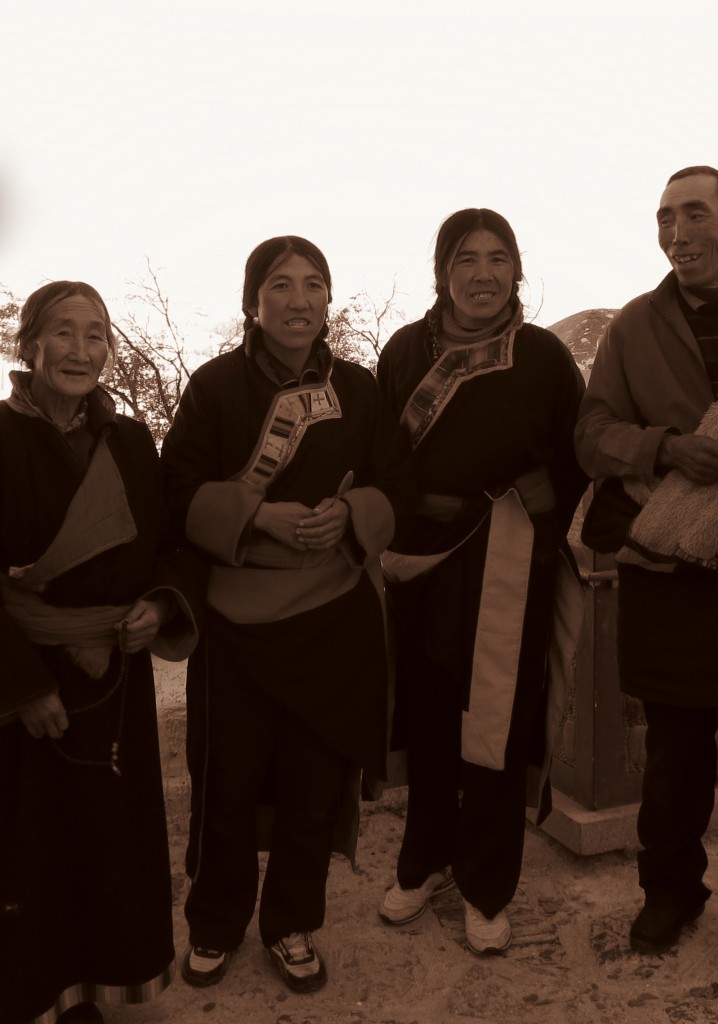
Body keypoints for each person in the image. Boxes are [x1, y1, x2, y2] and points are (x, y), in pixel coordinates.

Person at [160, 236, 411, 994]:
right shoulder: (211, 388)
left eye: (313, 285)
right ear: (253, 302)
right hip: (236, 623)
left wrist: (350, 511)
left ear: (328, 301)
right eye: (280, 285)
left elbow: (397, 482)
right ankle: (215, 922)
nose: (298, 300)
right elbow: (175, 492)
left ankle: (292, 923)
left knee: (313, 786)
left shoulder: (362, 392)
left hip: (333, 617)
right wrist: (256, 517)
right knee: (226, 783)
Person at [574, 166, 718, 976]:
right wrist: (665, 447)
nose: (676, 231)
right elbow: (592, 436)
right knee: (673, 764)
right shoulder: (633, 329)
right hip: (670, 578)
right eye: (664, 217)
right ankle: (671, 890)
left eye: (695, 213)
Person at [376, 209, 587, 954]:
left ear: (517, 272)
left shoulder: (542, 356)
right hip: (423, 560)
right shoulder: (404, 351)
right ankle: (425, 858)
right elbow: (382, 454)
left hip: (507, 555)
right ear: (442, 272)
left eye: (500, 259)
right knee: (429, 713)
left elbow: (576, 452)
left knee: (495, 721)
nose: (484, 275)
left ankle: (488, 883)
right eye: (467, 259)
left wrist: (545, 495)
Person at [0, 282, 200, 1024]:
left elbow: (164, 545)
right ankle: (36, 993)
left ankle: (100, 985)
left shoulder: (128, 439)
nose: (82, 350)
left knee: (109, 846)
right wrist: (21, 686)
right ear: (30, 346)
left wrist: (158, 602)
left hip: (117, 671)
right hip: (30, 676)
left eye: (97, 335)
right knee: (34, 846)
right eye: (64, 333)